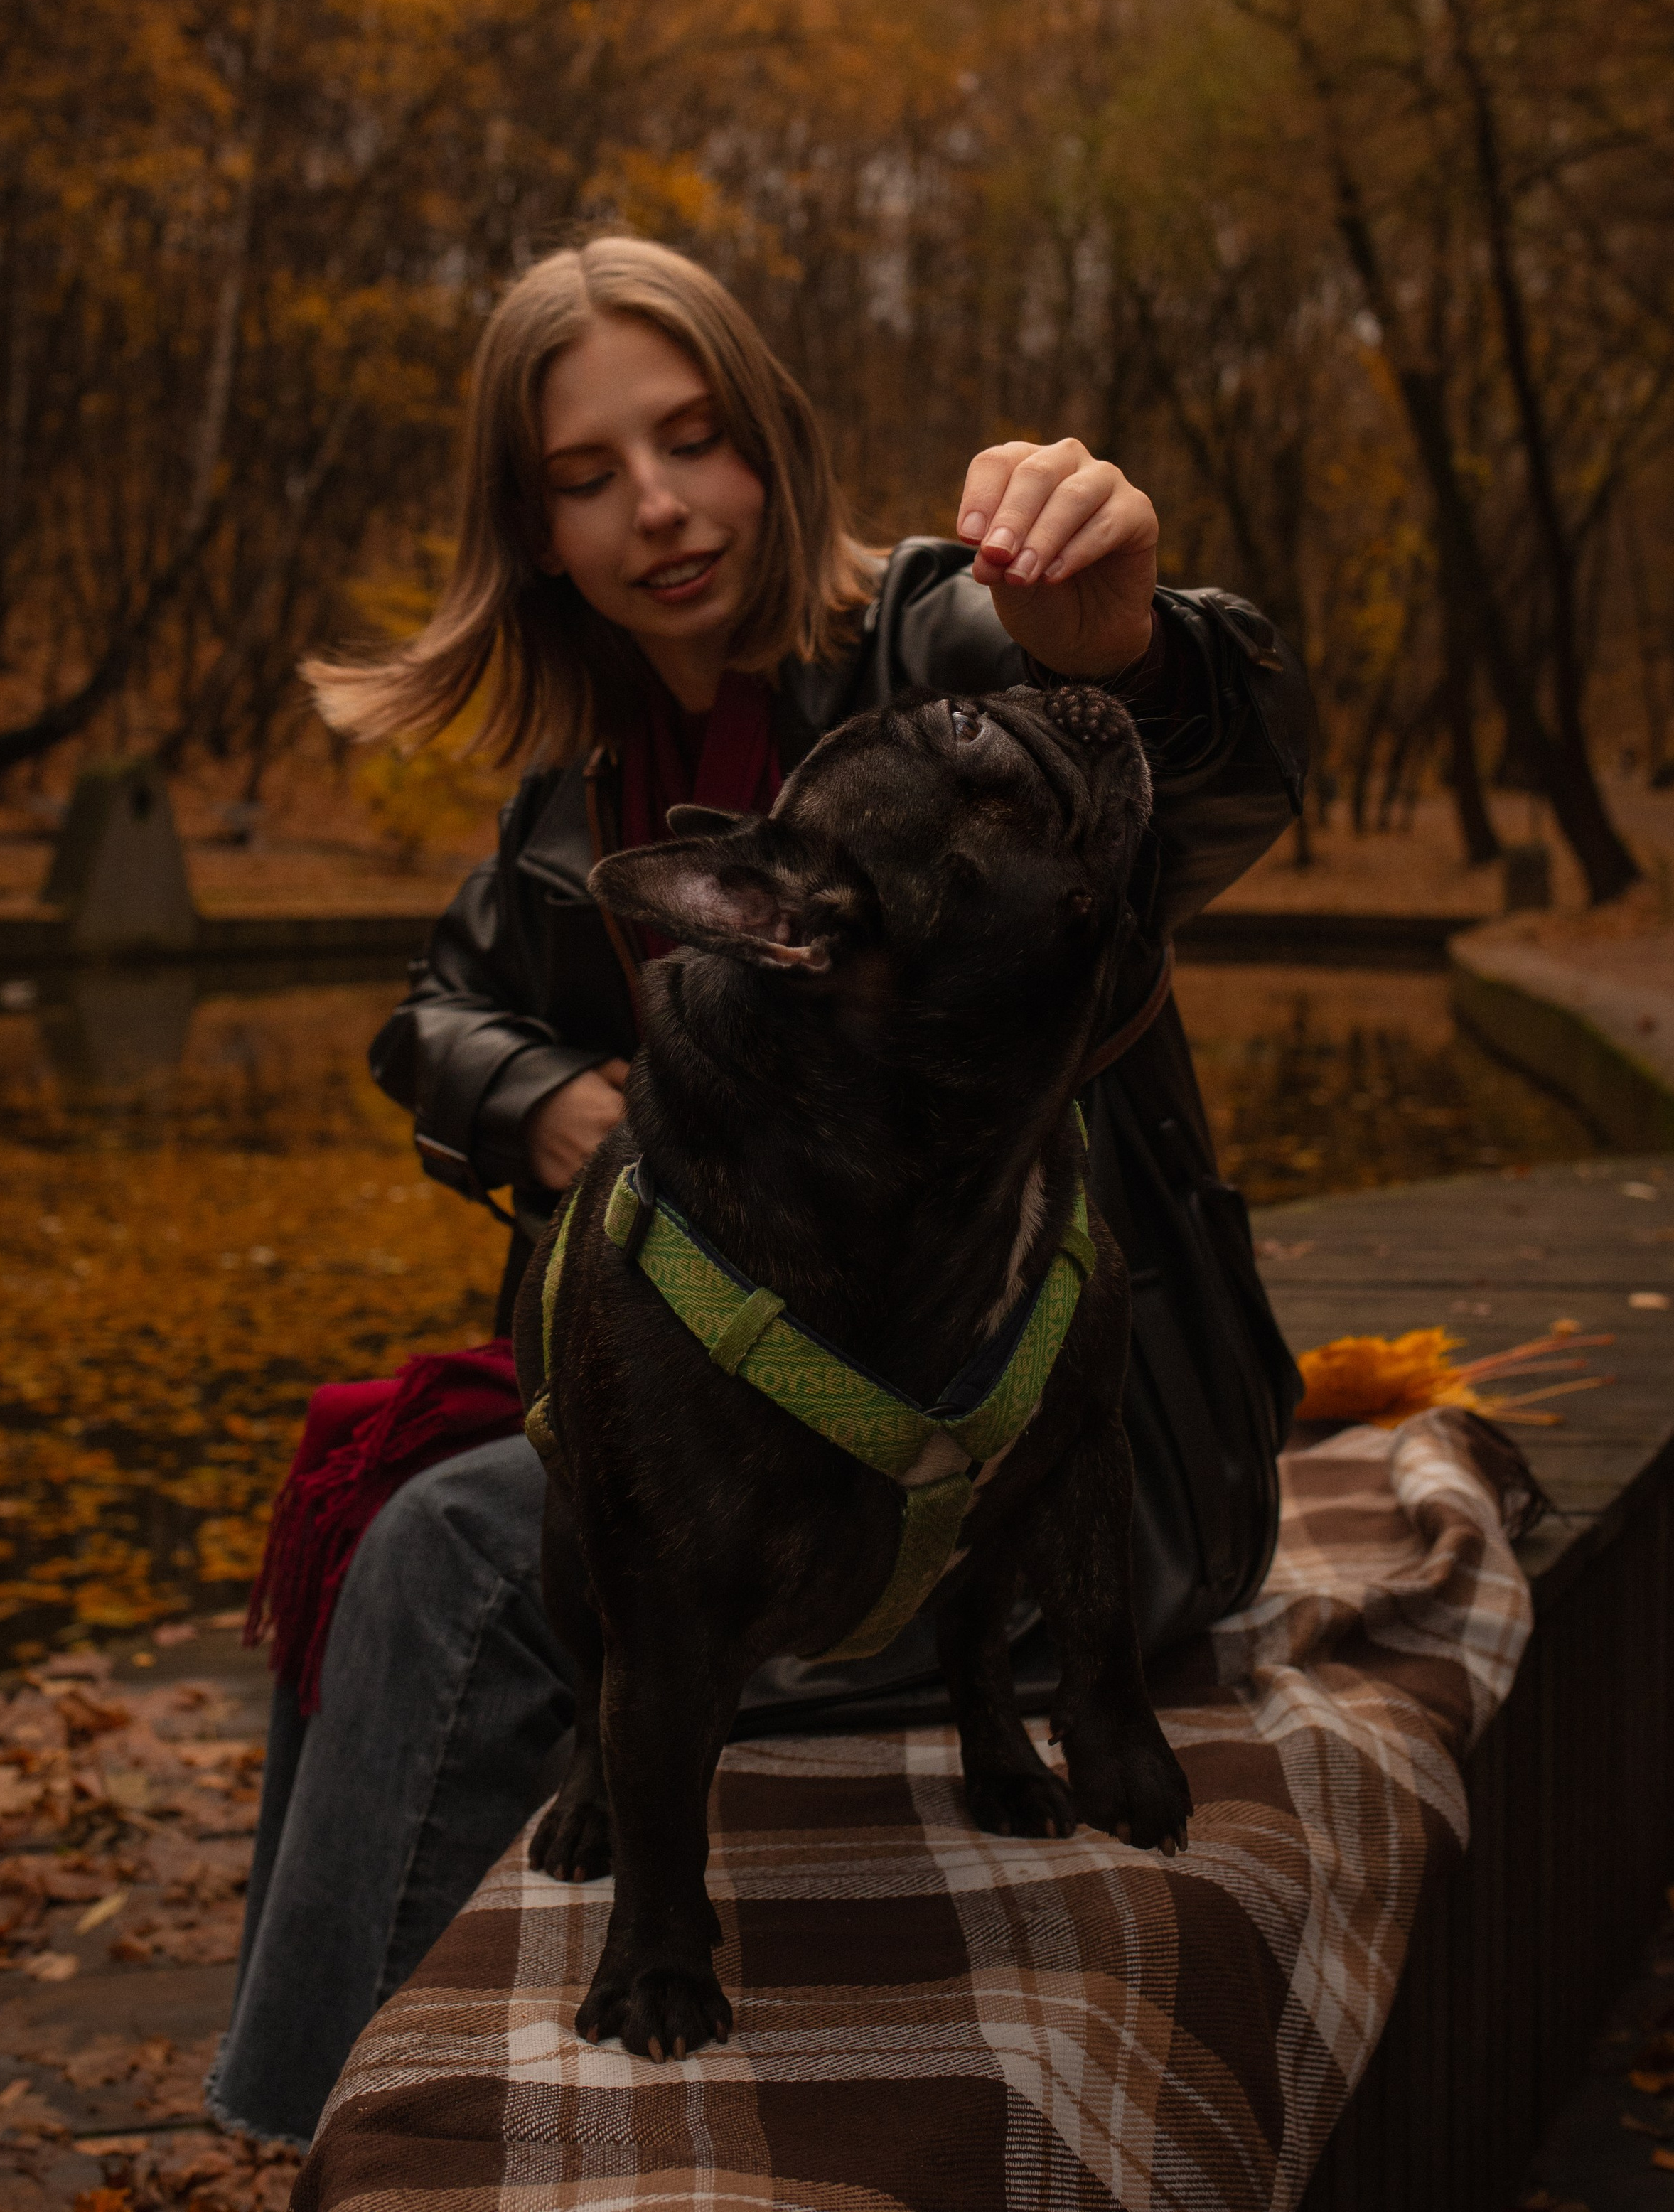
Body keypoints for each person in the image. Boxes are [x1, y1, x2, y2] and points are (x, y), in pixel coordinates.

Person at [207, 235, 1309, 2144]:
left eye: (695, 439)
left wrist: (1132, 641)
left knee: (441, 1558)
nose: (655, 508)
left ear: (771, 444)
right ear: (533, 527)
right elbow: (431, 1015)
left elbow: (1204, 775)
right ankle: (362, 2124)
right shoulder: (575, 801)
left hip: (1052, 1482)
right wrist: (541, 1096)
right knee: (414, 1517)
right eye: (583, 473)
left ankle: (308, 2134)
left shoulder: (939, 648)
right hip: (751, 1454)